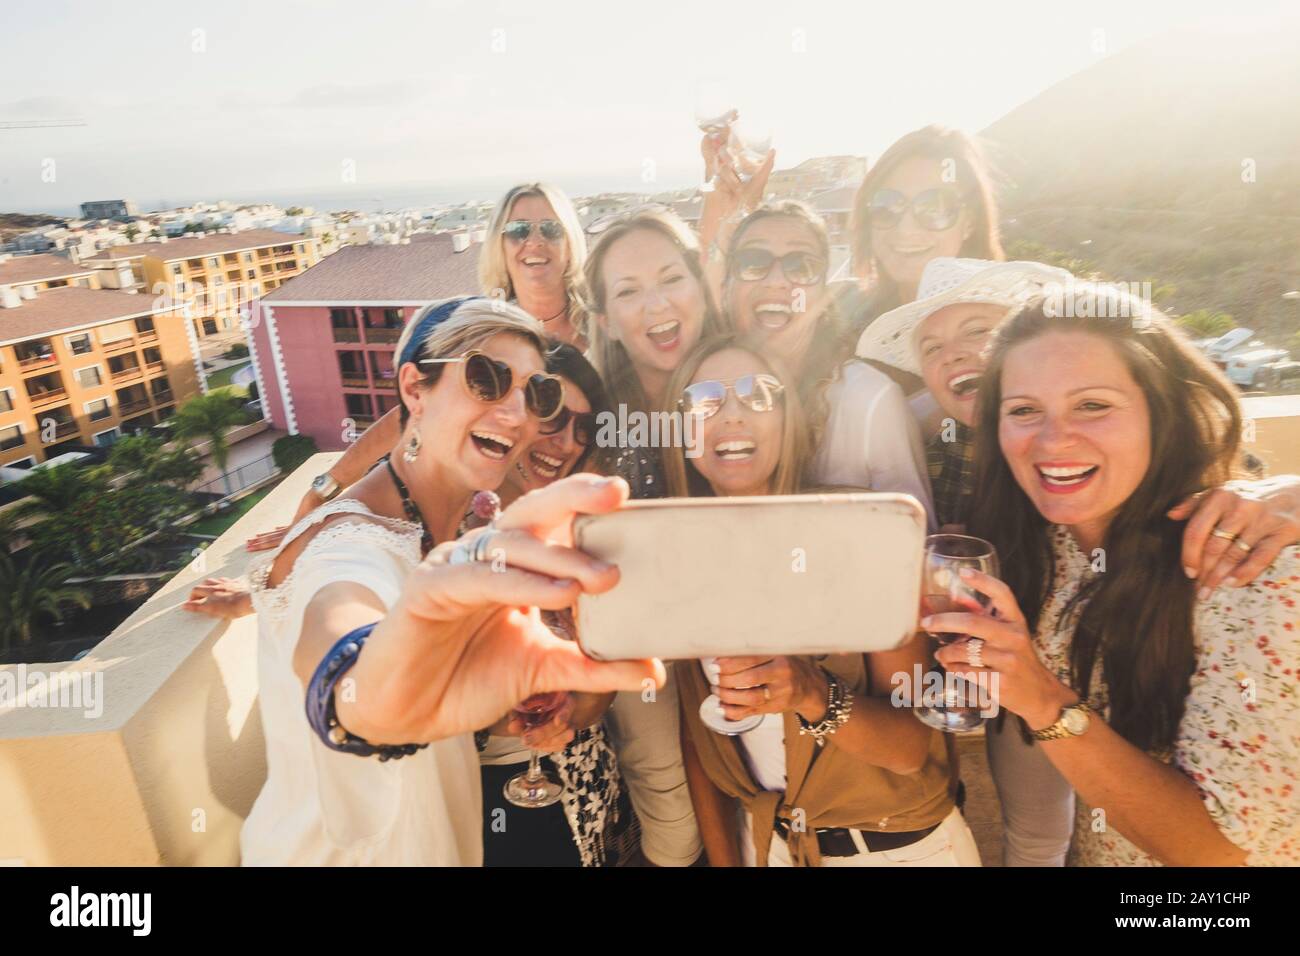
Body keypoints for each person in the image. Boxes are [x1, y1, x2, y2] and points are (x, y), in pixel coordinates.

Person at [862, 259, 1300, 864]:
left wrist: (1041, 699)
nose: (1052, 439)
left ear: (1163, 410)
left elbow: (1222, 858)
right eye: (1022, 411)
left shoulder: (1254, 570)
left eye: (1092, 405)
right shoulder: (1051, 541)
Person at [232, 297, 657, 865]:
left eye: (536, 395)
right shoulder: (350, 541)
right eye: (486, 379)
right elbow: (340, 622)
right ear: (415, 389)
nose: (516, 414)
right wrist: (365, 696)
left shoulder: (451, 524)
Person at [664, 334, 977, 867]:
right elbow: (699, 740)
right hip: (768, 847)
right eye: (705, 400)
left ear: (788, 421)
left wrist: (808, 691)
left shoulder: (863, 532)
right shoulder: (671, 552)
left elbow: (907, 748)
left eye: (759, 394)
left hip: (895, 852)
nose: (733, 415)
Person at [273, 182, 589, 531]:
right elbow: (414, 414)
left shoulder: (604, 327)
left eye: (550, 228)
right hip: (494, 519)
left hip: (591, 506)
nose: (534, 241)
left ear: (570, 240)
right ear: (499, 245)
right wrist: (325, 491)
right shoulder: (481, 328)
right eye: (516, 230)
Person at [578, 206, 736, 866]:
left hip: (733, 621)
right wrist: (332, 495)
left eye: (672, 278)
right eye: (628, 290)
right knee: (670, 809)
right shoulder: (593, 401)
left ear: (702, 285)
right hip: (638, 636)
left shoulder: (738, 377)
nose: (656, 305)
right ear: (606, 317)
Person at [717, 199, 935, 519]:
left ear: (822, 296)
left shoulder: (868, 401)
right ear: (725, 288)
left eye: (802, 266)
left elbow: (914, 543)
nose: (777, 281)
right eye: (752, 261)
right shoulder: (702, 394)